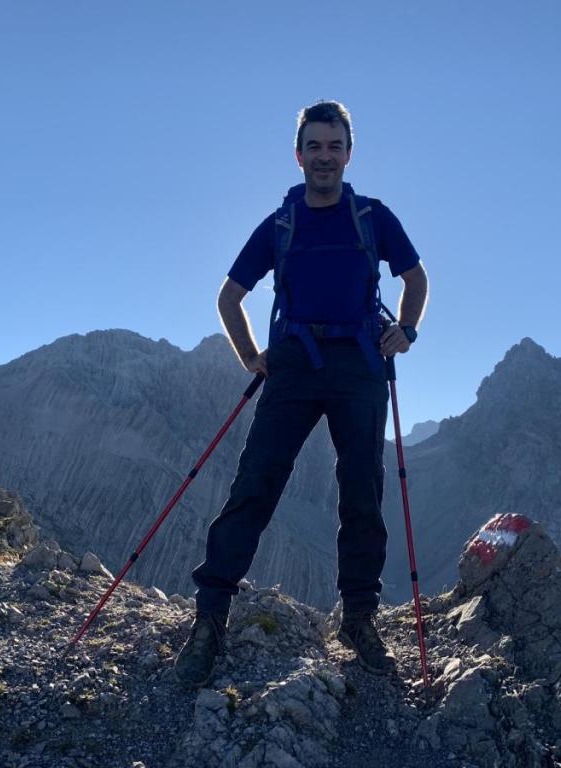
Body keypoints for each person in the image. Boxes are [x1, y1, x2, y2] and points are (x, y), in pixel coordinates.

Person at [175, 100, 429, 687]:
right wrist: (250, 356)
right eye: (314, 146)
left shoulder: (372, 217)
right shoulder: (280, 225)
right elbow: (229, 297)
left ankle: (358, 618)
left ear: (348, 153)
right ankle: (210, 617)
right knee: (255, 485)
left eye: (334, 146)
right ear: (298, 155)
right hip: (294, 364)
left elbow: (416, 279)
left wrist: (407, 330)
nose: (324, 156)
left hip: (359, 364)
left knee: (362, 491)